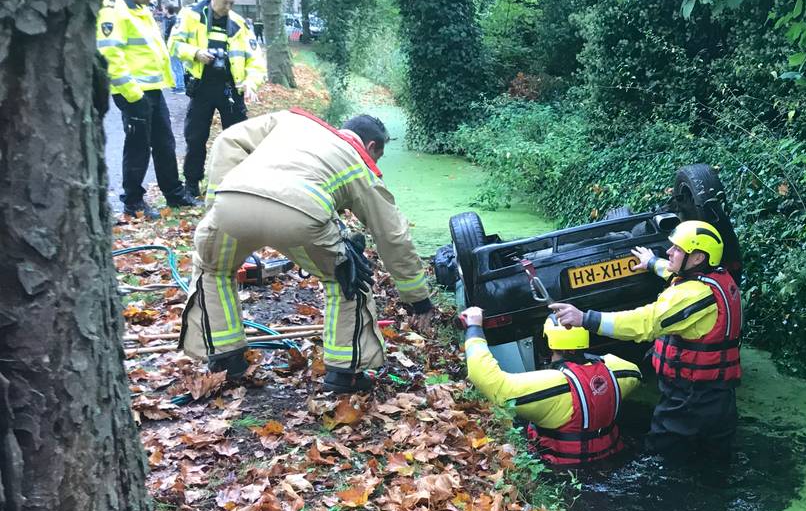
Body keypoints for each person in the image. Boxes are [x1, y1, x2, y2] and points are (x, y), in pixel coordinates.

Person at [177, 109, 435, 393]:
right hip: (300, 215)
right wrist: (417, 299)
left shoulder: (295, 121)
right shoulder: (360, 166)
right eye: (377, 156)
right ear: (371, 147)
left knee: (212, 271)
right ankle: (344, 373)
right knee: (348, 278)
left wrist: (216, 203)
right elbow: (392, 236)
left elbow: (228, 138)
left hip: (231, 203)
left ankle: (226, 361)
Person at [550, 220, 742, 463]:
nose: (669, 252)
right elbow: (675, 273)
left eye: (677, 249)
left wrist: (585, 318)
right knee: (715, 460)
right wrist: (652, 263)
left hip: (691, 399)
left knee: (659, 458)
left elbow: (645, 323)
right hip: (720, 397)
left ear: (697, 258)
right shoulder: (717, 277)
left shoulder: (693, 296)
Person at [462, 307, 641, 466]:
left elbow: (492, 384)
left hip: (563, 470)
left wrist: (474, 329)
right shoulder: (620, 371)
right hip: (612, 459)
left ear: (546, 345)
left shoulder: (549, 384)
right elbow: (637, 373)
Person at [96, 0, 200, 218]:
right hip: (134, 91)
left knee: (164, 143)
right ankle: (133, 202)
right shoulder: (113, 7)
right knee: (138, 147)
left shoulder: (138, 7)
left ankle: (173, 193)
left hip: (152, 89)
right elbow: (109, 54)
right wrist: (133, 94)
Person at [168, 0, 265, 200]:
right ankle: (192, 184)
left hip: (231, 88)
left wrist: (251, 83)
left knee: (239, 138)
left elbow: (256, 60)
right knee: (195, 137)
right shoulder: (191, 16)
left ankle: (240, 182)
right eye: (224, 3)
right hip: (202, 87)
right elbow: (173, 43)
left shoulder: (239, 23)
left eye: (232, 3)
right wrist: (195, 53)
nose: (228, 8)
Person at [162, 2, 185, 94]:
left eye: (163, 8)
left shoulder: (175, 20)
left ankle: (181, 86)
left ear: (167, 9)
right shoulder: (166, 18)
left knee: (177, 66)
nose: (162, 10)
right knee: (175, 66)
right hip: (169, 44)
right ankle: (178, 84)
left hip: (174, 45)